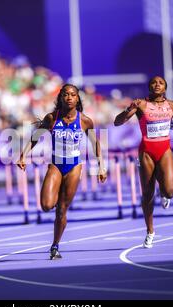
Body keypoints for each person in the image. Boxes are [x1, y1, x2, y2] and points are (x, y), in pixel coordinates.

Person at [18, 84, 107, 259]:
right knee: (46, 205)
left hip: (74, 166)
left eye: (73, 95)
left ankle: (55, 246)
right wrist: (23, 155)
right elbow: (35, 138)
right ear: (61, 97)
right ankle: (56, 196)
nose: (69, 97)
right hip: (56, 164)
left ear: (77, 99)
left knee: (62, 210)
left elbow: (95, 143)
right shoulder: (52, 118)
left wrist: (101, 167)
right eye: (66, 94)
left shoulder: (85, 120)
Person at [114, 76, 173, 249]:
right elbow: (118, 122)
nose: (157, 85)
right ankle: (150, 231)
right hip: (146, 151)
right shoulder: (141, 105)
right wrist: (129, 109)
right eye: (153, 83)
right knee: (147, 194)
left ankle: (165, 194)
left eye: (160, 82)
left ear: (165, 87)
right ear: (149, 87)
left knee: (169, 191)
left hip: (164, 149)